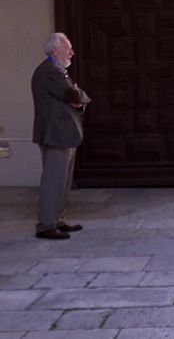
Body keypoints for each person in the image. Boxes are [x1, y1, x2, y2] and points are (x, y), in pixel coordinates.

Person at [31, 33, 90, 239]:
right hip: (54, 133)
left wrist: (77, 97)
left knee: (63, 180)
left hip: (64, 133)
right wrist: (78, 96)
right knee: (53, 180)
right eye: (68, 48)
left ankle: (57, 219)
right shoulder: (50, 71)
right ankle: (46, 224)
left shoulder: (59, 70)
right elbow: (73, 95)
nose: (71, 52)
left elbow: (75, 97)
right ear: (55, 50)